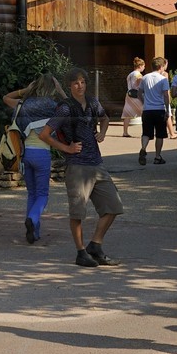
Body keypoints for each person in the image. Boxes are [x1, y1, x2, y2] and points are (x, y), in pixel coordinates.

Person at [44, 68, 122, 268]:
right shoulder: (65, 108)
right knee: (78, 213)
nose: (80, 86)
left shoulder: (93, 102)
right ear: (69, 86)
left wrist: (103, 133)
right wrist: (67, 148)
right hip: (77, 166)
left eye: (82, 82)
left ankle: (95, 245)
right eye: (76, 83)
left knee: (113, 206)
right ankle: (80, 253)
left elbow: (104, 119)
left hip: (97, 163)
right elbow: (44, 134)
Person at [3, 74, 65, 244]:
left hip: (25, 154)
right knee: (43, 194)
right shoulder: (54, 106)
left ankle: (33, 232)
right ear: (52, 88)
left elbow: (6, 98)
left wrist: (25, 90)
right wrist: (60, 90)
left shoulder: (23, 104)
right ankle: (32, 218)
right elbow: (71, 108)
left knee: (32, 193)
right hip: (42, 153)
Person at [138, 56, 172, 165]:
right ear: (161, 67)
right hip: (159, 109)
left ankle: (143, 148)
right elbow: (166, 96)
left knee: (146, 133)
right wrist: (167, 110)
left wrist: (144, 102)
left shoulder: (145, 77)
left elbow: (139, 93)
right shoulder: (163, 79)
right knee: (160, 134)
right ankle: (157, 156)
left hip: (147, 110)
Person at [121, 56, 146, 137]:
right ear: (140, 66)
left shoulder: (130, 74)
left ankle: (125, 132)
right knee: (144, 112)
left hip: (129, 95)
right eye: (143, 66)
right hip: (137, 95)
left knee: (127, 113)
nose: (144, 68)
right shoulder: (138, 74)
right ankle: (145, 132)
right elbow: (140, 84)